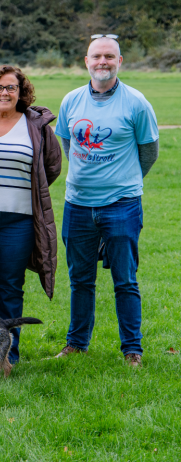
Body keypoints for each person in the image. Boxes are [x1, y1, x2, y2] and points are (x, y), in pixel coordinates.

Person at [53, 35, 159, 367]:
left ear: (119, 61)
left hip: (122, 205)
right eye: (97, 56)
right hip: (78, 205)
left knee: (125, 279)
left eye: (109, 57)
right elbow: (69, 146)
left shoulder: (136, 102)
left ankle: (132, 350)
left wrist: (125, 183)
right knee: (80, 279)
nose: (103, 62)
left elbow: (149, 152)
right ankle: (76, 344)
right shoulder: (71, 100)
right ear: (86, 61)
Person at [0, 65, 62, 366]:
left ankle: (7, 354)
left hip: (18, 221)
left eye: (11, 88)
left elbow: (51, 166)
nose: (4, 93)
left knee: (10, 286)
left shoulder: (35, 125)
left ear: (21, 93)